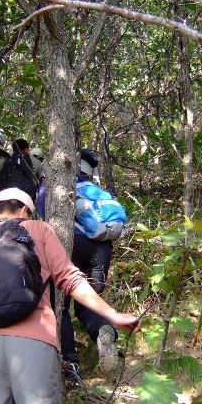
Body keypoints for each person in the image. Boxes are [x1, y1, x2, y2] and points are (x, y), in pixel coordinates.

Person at [0, 188, 139, 404]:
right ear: (25, 210)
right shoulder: (38, 229)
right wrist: (113, 315)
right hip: (34, 339)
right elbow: (70, 279)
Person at [61, 153, 121, 380]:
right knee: (89, 301)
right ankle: (103, 330)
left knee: (62, 305)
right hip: (102, 248)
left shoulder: (63, 188)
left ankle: (69, 361)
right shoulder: (99, 192)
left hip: (75, 244)